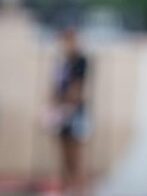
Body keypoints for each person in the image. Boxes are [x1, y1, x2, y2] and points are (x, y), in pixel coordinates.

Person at [49, 27, 90, 195]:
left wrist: (65, 102)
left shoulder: (81, 61)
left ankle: (79, 190)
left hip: (76, 113)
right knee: (64, 154)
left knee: (76, 155)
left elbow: (77, 90)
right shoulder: (62, 62)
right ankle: (67, 189)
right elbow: (55, 88)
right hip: (62, 112)